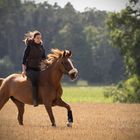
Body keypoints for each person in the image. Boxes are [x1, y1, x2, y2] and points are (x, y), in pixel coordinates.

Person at [22, 30, 46, 107]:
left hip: (39, 69)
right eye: (37, 38)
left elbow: (44, 59)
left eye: (40, 38)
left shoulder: (41, 47)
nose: (39, 39)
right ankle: (35, 100)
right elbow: (24, 59)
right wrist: (23, 70)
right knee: (35, 81)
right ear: (34, 38)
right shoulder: (29, 46)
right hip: (30, 69)